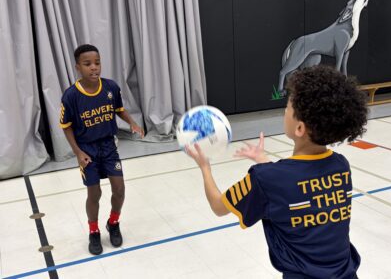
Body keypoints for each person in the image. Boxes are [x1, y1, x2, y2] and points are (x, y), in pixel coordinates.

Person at [186, 65, 368, 278]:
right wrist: (264, 162)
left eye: (288, 108)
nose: (284, 110)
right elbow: (297, 188)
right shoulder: (341, 166)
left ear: (300, 128)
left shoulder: (266, 179)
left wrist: (205, 166)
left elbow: (218, 206)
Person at [59, 44, 144, 255]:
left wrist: (132, 122)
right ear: (78, 67)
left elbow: (119, 109)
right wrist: (78, 152)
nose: (94, 68)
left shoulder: (111, 87)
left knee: (120, 189)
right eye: (88, 64)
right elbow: (66, 126)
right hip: (87, 151)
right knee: (94, 193)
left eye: (97, 63)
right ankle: (94, 231)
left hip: (108, 146)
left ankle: (113, 223)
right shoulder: (71, 96)